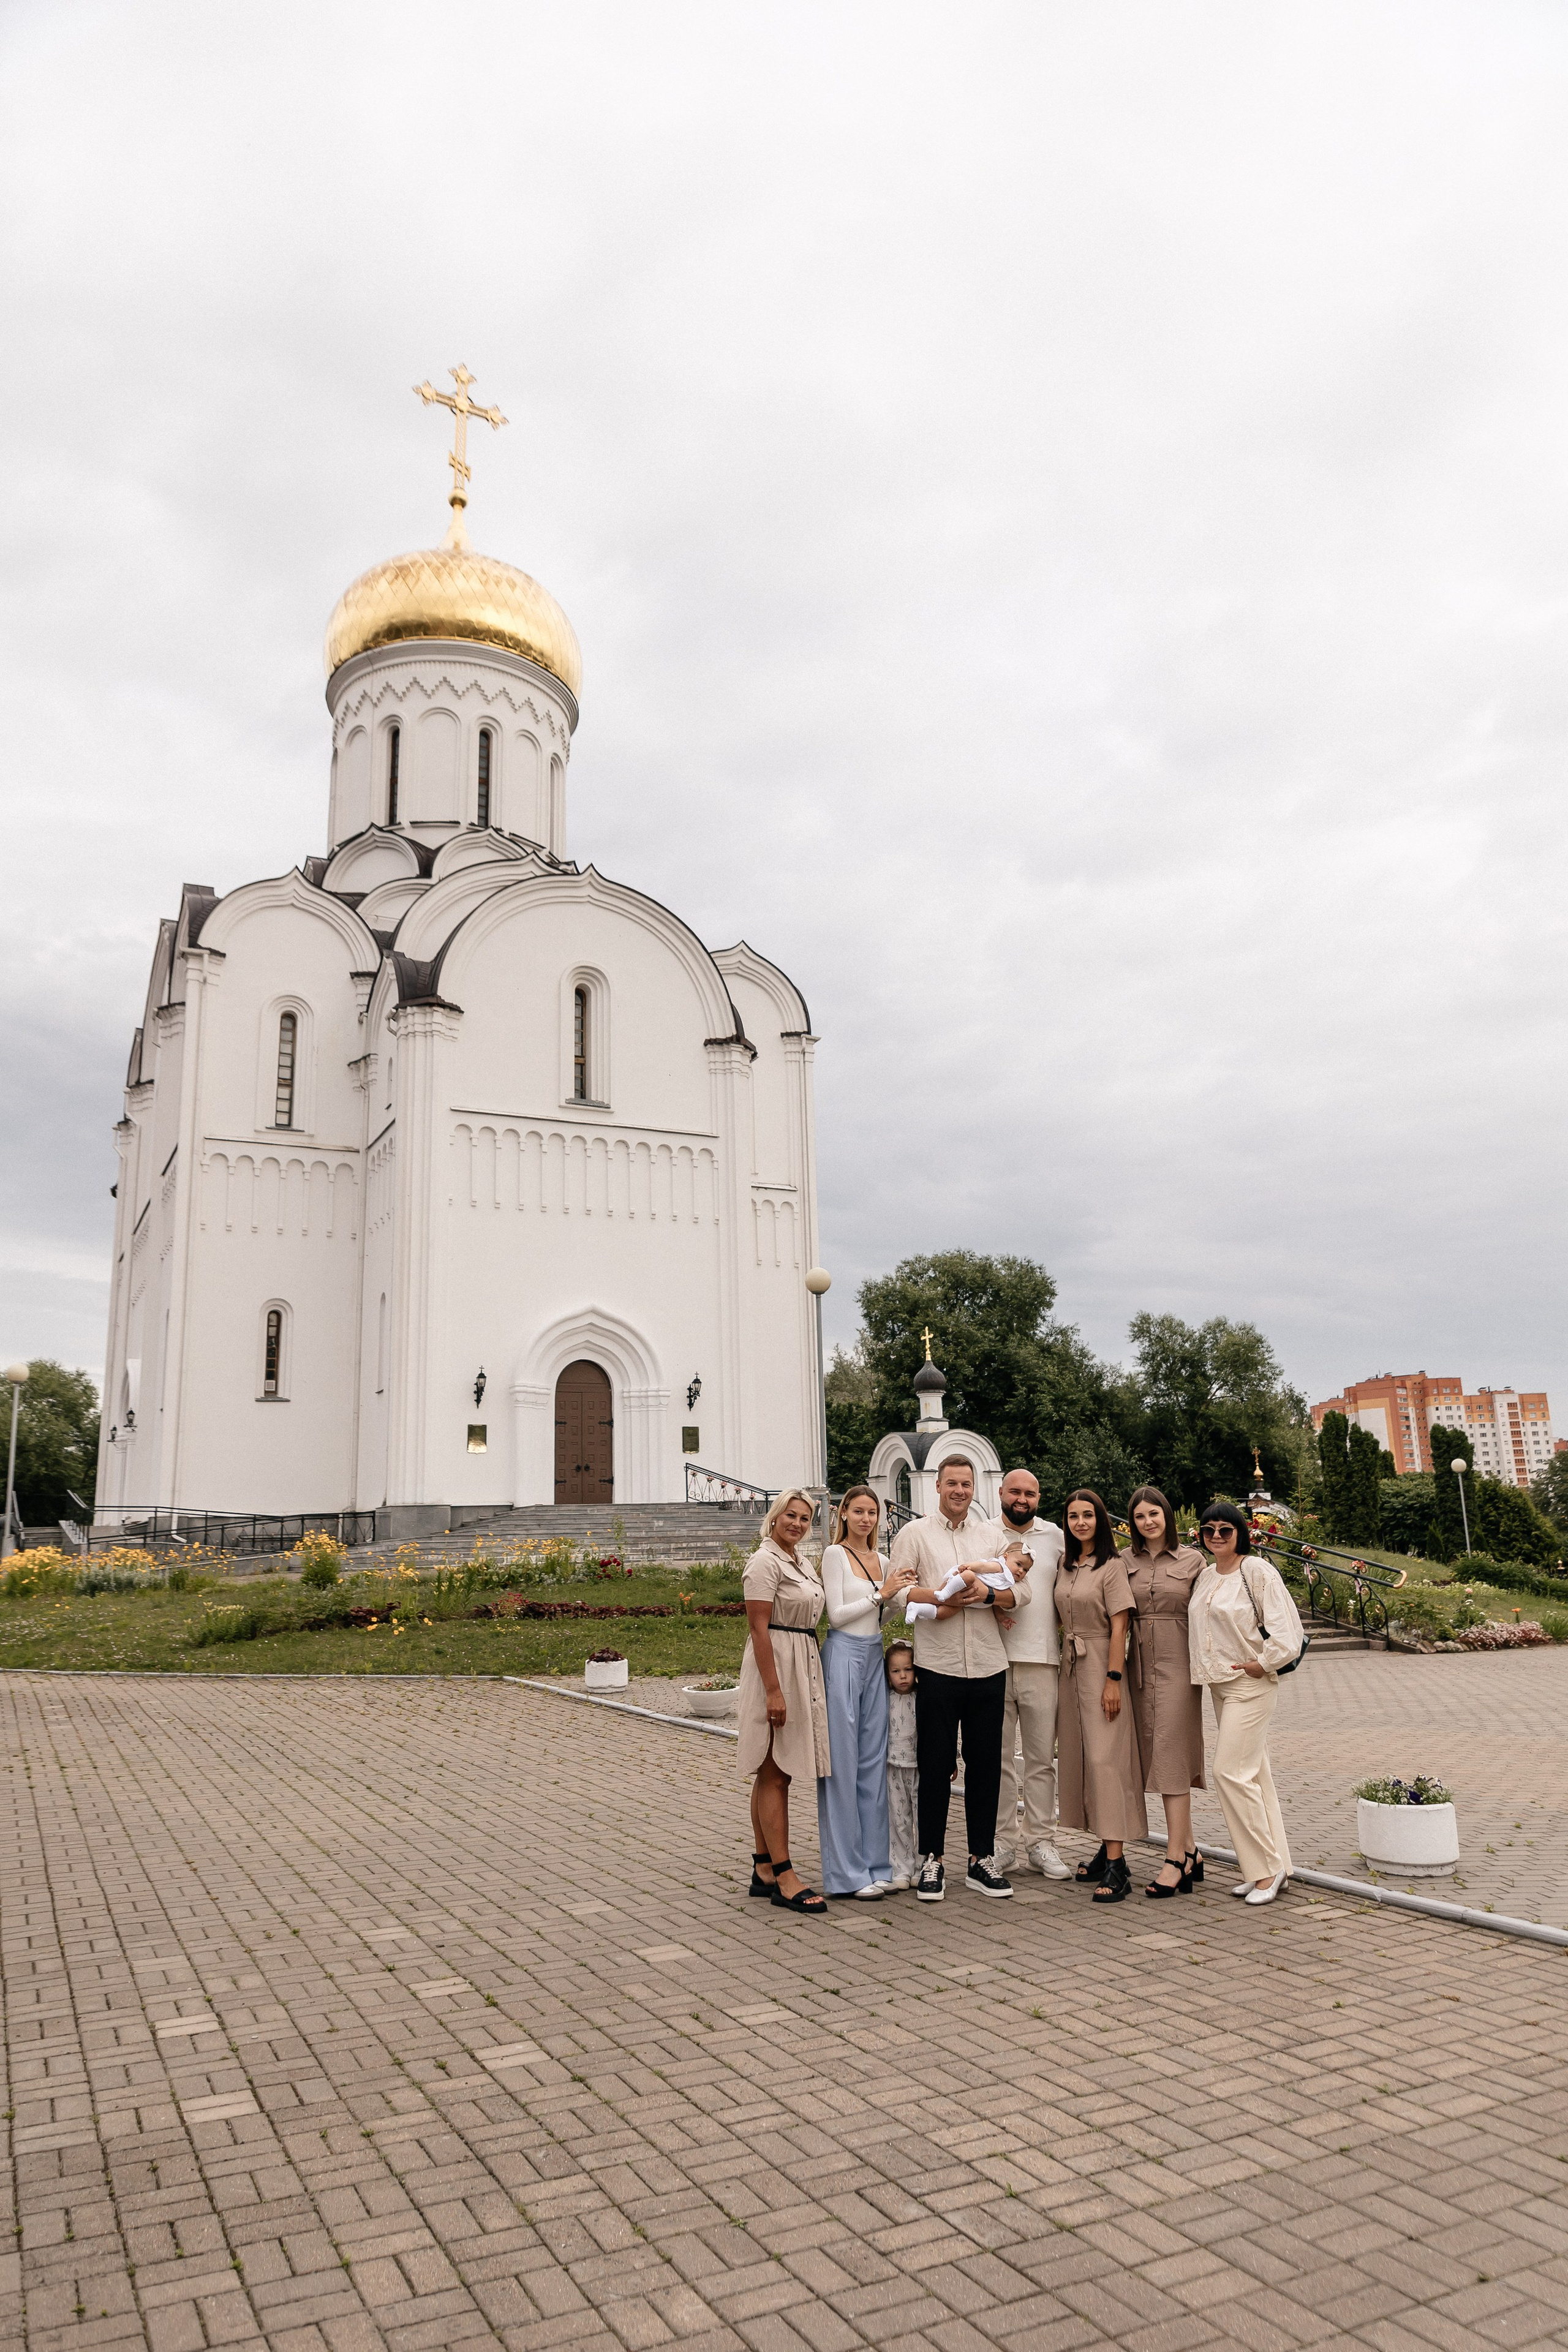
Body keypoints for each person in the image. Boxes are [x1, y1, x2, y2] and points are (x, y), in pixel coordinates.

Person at [889, 1456, 1025, 1902]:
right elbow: (897, 1594)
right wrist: (941, 1599)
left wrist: (986, 1593)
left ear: (974, 1489)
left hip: (988, 1666)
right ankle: (933, 1859)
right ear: (938, 1487)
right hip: (938, 1665)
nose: (960, 1491)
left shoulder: (991, 1536)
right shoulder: (914, 1535)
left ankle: (980, 1860)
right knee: (935, 1766)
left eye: (967, 1484)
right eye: (952, 1484)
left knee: (986, 1767)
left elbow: (1019, 1590)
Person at [1189, 1500, 1305, 1907]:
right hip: (1220, 1687)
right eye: (1209, 1530)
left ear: (1241, 1533)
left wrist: (1263, 1663)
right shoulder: (1205, 1577)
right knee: (1255, 1776)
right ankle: (1279, 1868)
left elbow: (1288, 1634)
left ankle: (1264, 1871)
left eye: (1225, 1530)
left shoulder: (1256, 1571)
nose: (1217, 1536)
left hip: (1250, 1685)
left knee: (1229, 1773)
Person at [736, 1488, 832, 1913]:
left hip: (800, 1658)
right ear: (774, 1517)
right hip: (776, 1665)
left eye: (804, 1518)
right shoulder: (764, 1561)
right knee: (775, 1772)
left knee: (774, 1771)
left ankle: (763, 1868)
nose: (796, 1523)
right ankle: (785, 1876)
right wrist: (774, 1690)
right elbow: (759, 1629)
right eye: (790, 1515)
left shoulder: (801, 1561)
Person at [816, 1484, 913, 1898]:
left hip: (874, 1655)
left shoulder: (884, 1560)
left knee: (873, 1764)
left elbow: (887, 1612)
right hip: (842, 1659)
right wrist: (882, 1593)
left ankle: (877, 1865)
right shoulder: (835, 1555)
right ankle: (846, 1874)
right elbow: (836, 1616)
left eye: (873, 1512)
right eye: (858, 1511)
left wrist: (895, 1593)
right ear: (842, 1514)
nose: (866, 1519)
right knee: (842, 1765)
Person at [1055, 1487, 1146, 1904]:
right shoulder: (1066, 1563)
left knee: (1106, 1759)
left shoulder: (1112, 1566)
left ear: (1100, 1519)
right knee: (1082, 1758)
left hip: (1101, 1667)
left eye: (1087, 1515)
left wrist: (1113, 1678)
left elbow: (1120, 1625)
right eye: (1073, 1516)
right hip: (1070, 1668)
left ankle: (1117, 1863)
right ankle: (1104, 1845)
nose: (1080, 1523)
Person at [1123, 1484, 1208, 1898]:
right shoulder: (1123, 1561)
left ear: (1167, 1516)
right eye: (1140, 1517)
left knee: (1172, 1757)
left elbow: (1213, 1614)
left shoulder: (1194, 1560)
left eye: (1153, 1514)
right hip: (1138, 1668)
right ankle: (1191, 1850)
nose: (1147, 1522)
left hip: (1179, 1667)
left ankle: (1174, 1858)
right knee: (1152, 1755)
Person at [990, 1468, 1069, 1879]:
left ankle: (1042, 1841)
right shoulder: (982, 1533)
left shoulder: (1057, 1537)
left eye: (1031, 1494)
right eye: (1015, 1492)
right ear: (1000, 1492)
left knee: (1042, 1759)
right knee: (998, 1759)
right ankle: (1002, 1843)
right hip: (992, 1662)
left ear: (1039, 1497)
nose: (1022, 1499)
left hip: (1042, 1660)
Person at [884, 1640, 919, 1889]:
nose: (903, 1676)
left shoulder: (923, 1698)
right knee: (899, 1818)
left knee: (921, 1816)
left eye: (908, 1669)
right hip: (893, 1765)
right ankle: (901, 1868)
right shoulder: (885, 1700)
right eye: (896, 1671)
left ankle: (921, 1865)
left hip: (919, 1766)